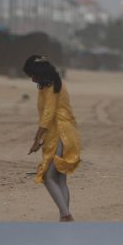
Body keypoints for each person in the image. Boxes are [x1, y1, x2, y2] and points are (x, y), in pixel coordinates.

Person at [23, 55, 81, 221]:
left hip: (60, 133)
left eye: (33, 75)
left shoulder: (51, 86)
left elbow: (48, 114)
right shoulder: (52, 84)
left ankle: (66, 215)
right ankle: (64, 217)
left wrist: (36, 139)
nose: (32, 79)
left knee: (48, 177)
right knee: (60, 177)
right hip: (66, 132)